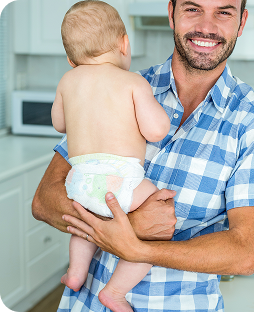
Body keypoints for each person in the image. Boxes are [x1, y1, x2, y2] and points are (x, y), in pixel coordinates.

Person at [32, 0, 254, 311]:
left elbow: (244, 254)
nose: (207, 26)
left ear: (241, 22)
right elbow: (45, 200)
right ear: (171, 13)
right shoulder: (117, 85)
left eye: (224, 11)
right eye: (193, 8)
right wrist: (130, 227)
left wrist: (136, 248)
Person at [51, 1, 171, 311]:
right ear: (124, 44)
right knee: (157, 223)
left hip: (78, 181)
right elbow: (157, 130)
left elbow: (59, 123)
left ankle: (76, 273)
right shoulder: (132, 83)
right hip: (120, 180)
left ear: (70, 58)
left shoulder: (68, 81)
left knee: (87, 225)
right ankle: (115, 291)